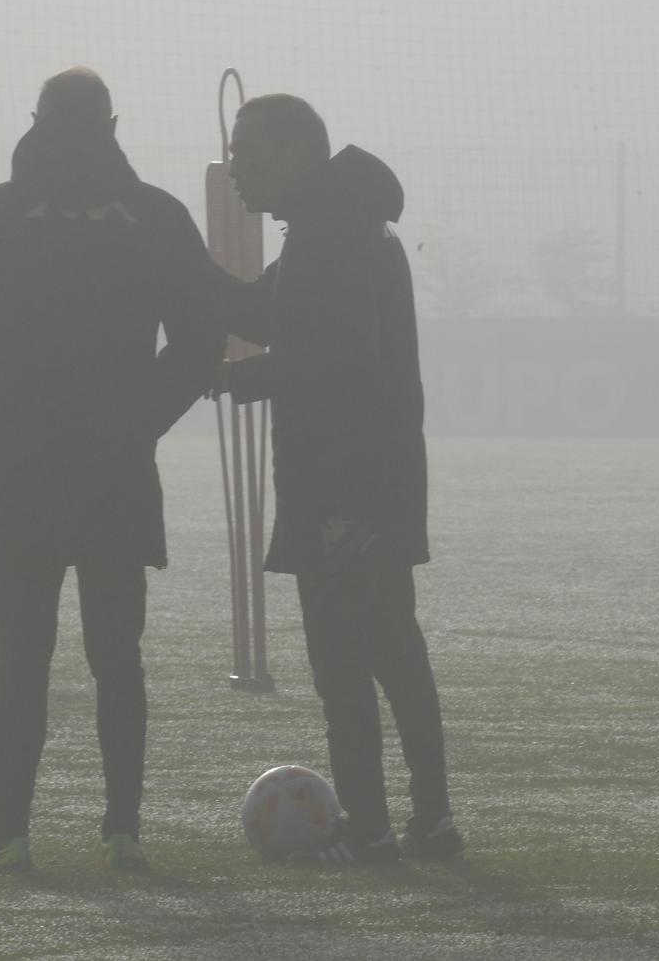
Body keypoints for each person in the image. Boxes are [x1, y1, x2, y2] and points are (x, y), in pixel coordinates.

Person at [0, 68, 222, 873]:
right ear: (113, 123)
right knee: (117, 657)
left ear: (35, 120)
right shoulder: (155, 216)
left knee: (21, 658)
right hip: (116, 469)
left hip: (22, 468)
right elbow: (201, 337)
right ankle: (122, 833)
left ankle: (7, 834)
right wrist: (140, 422)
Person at [209, 93, 460, 864]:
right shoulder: (336, 224)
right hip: (372, 479)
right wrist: (177, 271)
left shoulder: (333, 235)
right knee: (392, 649)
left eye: (249, 146)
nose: (235, 165)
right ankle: (429, 822)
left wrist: (225, 380)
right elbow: (264, 312)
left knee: (346, 662)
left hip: (344, 482)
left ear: (294, 150)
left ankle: (372, 829)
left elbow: (329, 361)